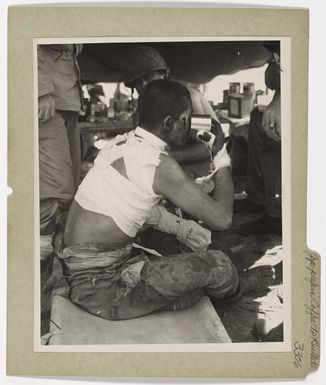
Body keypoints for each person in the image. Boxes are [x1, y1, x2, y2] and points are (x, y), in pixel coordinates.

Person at [61, 79, 275, 320]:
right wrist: (221, 154)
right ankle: (235, 290)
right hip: (100, 290)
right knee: (216, 265)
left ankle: (187, 281)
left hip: (78, 268)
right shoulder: (159, 165)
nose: (188, 125)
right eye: (185, 120)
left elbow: (127, 204)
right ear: (168, 123)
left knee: (173, 241)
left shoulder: (119, 143)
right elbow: (223, 219)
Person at [122, 45, 225, 172]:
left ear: (163, 75)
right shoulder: (143, 108)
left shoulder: (186, 98)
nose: (144, 85)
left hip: (209, 166)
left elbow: (212, 144)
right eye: (137, 82)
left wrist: (163, 156)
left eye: (148, 77)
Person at [38, 44, 83, 260]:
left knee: (72, 184)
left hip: (67, 98)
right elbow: (26, 35)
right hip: (48, 100)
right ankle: (39, 259)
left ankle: (54, 255)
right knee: (56, 187)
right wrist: (40, 90)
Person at [236, 42, 282, 236]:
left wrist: (280, 105)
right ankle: (257, 198)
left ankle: (278, 215)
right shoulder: (276, 53)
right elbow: (274, 81)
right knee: (257, 117)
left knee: (272, 132)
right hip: (286, 98)